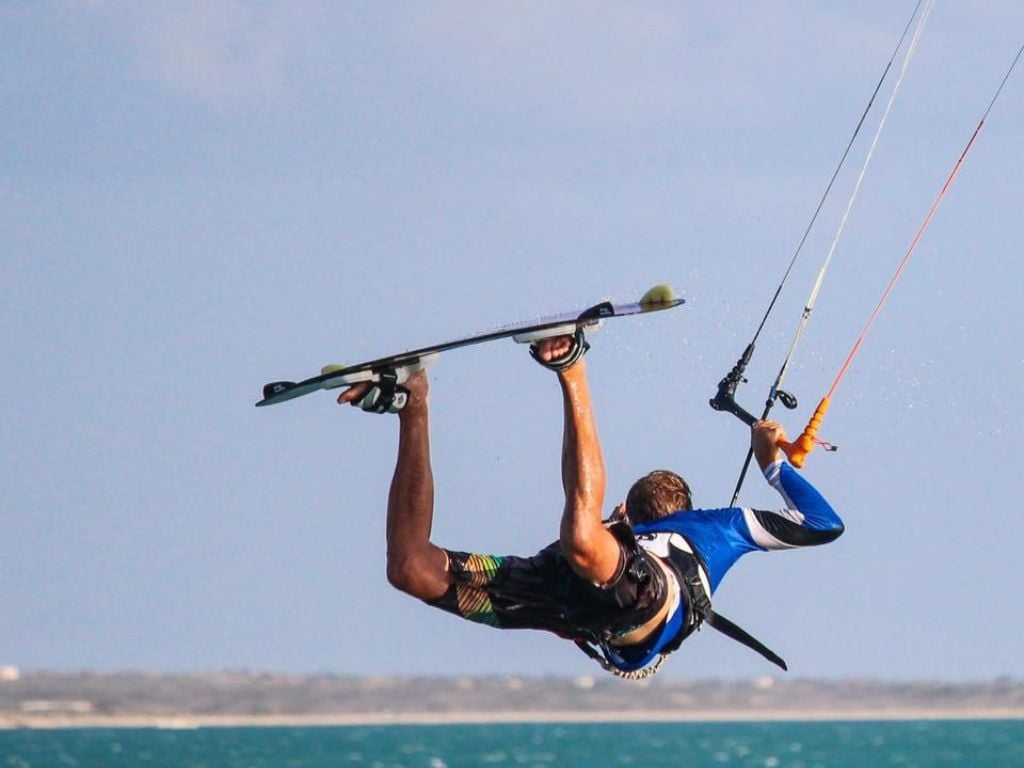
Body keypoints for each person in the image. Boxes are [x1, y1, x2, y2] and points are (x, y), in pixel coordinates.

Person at [338, 330, 844, 677]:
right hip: (575, 587)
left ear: (630, 510)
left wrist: (773, 464)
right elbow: (820, 523)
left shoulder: (719, 526)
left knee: (420, 570)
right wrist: (773, 467)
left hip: (620, 604)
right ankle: (421, 400)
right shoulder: (622, 529)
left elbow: (826, 524)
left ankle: (551, 370)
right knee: (413, 566)